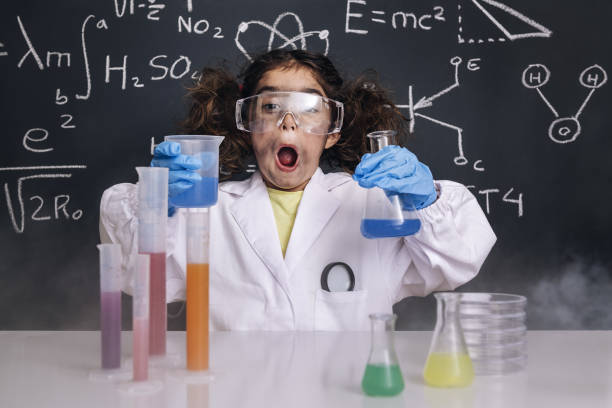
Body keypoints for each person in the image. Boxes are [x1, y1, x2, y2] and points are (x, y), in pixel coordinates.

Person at [100, 49, 496, 330]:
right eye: (270, 107)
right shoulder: (205, 212)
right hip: (234, 393)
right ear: (246, 124)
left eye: (309, 109)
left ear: (332, 131)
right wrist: (156, 202)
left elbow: (458, 263)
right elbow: (139, 282)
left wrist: (426, 203)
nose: (288, 123)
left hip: (346, 391)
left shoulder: (375, 210)